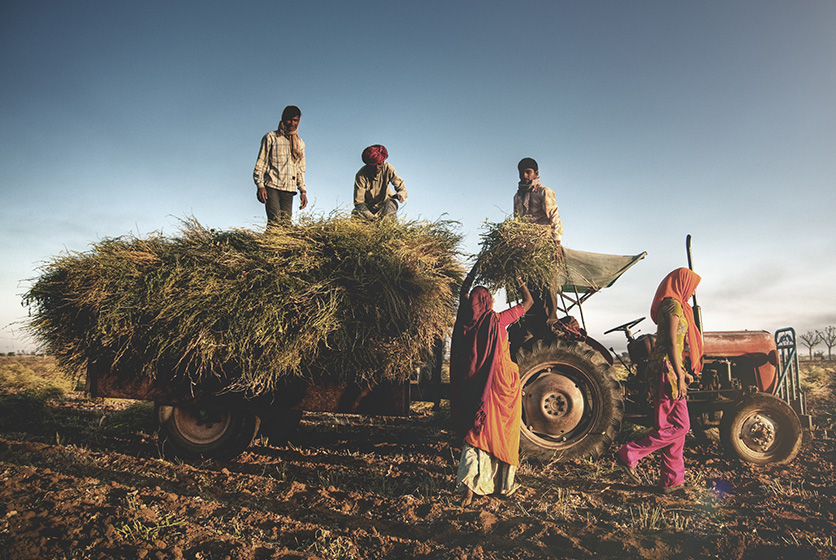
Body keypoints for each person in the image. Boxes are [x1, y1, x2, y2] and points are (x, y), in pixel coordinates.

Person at [615, 267, 703, 494]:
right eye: (692, 288)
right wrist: (680, 376)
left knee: (672, 427)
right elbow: (672, 343)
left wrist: (683, 371)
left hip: (670, 367)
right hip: (666, 369)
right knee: (681, 426)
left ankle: (671, 481)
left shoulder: (676, 304)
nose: (692, 294)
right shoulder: (672, 305)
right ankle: (630, 453)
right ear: (682, 283)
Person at [451, 268, 533, 506]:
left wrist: (476, 269)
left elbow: (463, 292)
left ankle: (469, 485)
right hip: (503, 383)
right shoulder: (497, 319)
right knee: (503, 431)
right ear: (487, 302)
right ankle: (502, 485)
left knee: (477, 430)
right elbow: (529, 302)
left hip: (479, 385)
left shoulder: (466, 319)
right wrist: (518, 278)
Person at [513, 157, 563, 328]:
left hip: (545, 245)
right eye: (522, 172)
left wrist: (556, 244)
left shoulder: (543, 192)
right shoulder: (517, 197)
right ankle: (533, 324)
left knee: (547, 284)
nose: (524, 175)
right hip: (527, 250)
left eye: (528, 172)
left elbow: (554, 218)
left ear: (536, 174)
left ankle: (551, 323)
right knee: (530, 286)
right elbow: (516, 224)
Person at [253, 105, 308, 224]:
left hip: (289, 188)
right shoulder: (271, 138)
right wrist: (260, 185)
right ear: (283, 119)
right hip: (272, 185)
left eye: (295, 120)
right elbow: (261, 162)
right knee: (274, 220)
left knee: (285, 224)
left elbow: (300, 169)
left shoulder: (300, 143)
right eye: (289, 119)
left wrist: (303, 191)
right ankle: (267, 242)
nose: (292, 123)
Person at [352, 144, 407, 219]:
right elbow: (359, 202)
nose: (377, 168)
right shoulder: (361, 175)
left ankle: (387, 227)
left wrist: (401, 194)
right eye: (373, 165)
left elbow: (401, 188)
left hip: (385, 206)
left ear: (383, 161)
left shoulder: (389, 169)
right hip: (367, 209)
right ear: (368, 164)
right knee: (356, 212)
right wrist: (372, 218)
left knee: (391, 204)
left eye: (379, 164)